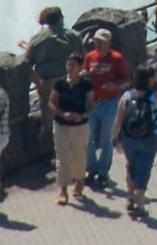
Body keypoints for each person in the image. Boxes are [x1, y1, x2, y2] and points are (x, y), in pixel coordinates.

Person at [108, 64, 157, 220]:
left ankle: (130, 197)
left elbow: (119, 119)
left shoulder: (127, 96)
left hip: (129, 138)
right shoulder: (154, 97)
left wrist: (115, 139)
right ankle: (140, 205)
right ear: (149, 80)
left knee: (131, 167)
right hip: (149, 138)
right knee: (144, 169)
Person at [48, 50, 93, 205]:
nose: (69, 67)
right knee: (62, 158)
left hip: (80, 126)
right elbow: (51, 103)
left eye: (73, 65)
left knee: (79, 156)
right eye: (68, 64)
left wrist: (83, 115)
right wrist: (62, 114)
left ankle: (80, 179)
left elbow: (92, 105)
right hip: (61, 125)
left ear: (80, 67)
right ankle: (63, 191)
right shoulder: (60, 84)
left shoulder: (86, 84)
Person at [83, 44, 130, 190]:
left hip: (109, 103)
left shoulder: (117, 58)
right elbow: (84, 75)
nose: (99, 45)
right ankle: (91, 169)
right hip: (92, 102)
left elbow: (127, 80)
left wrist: (115, 85)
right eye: (97, 41)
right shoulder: (90, 56)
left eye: (102, 42)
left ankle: (103, 172)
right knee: (88, 138)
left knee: (107, 139)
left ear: (109, 43)